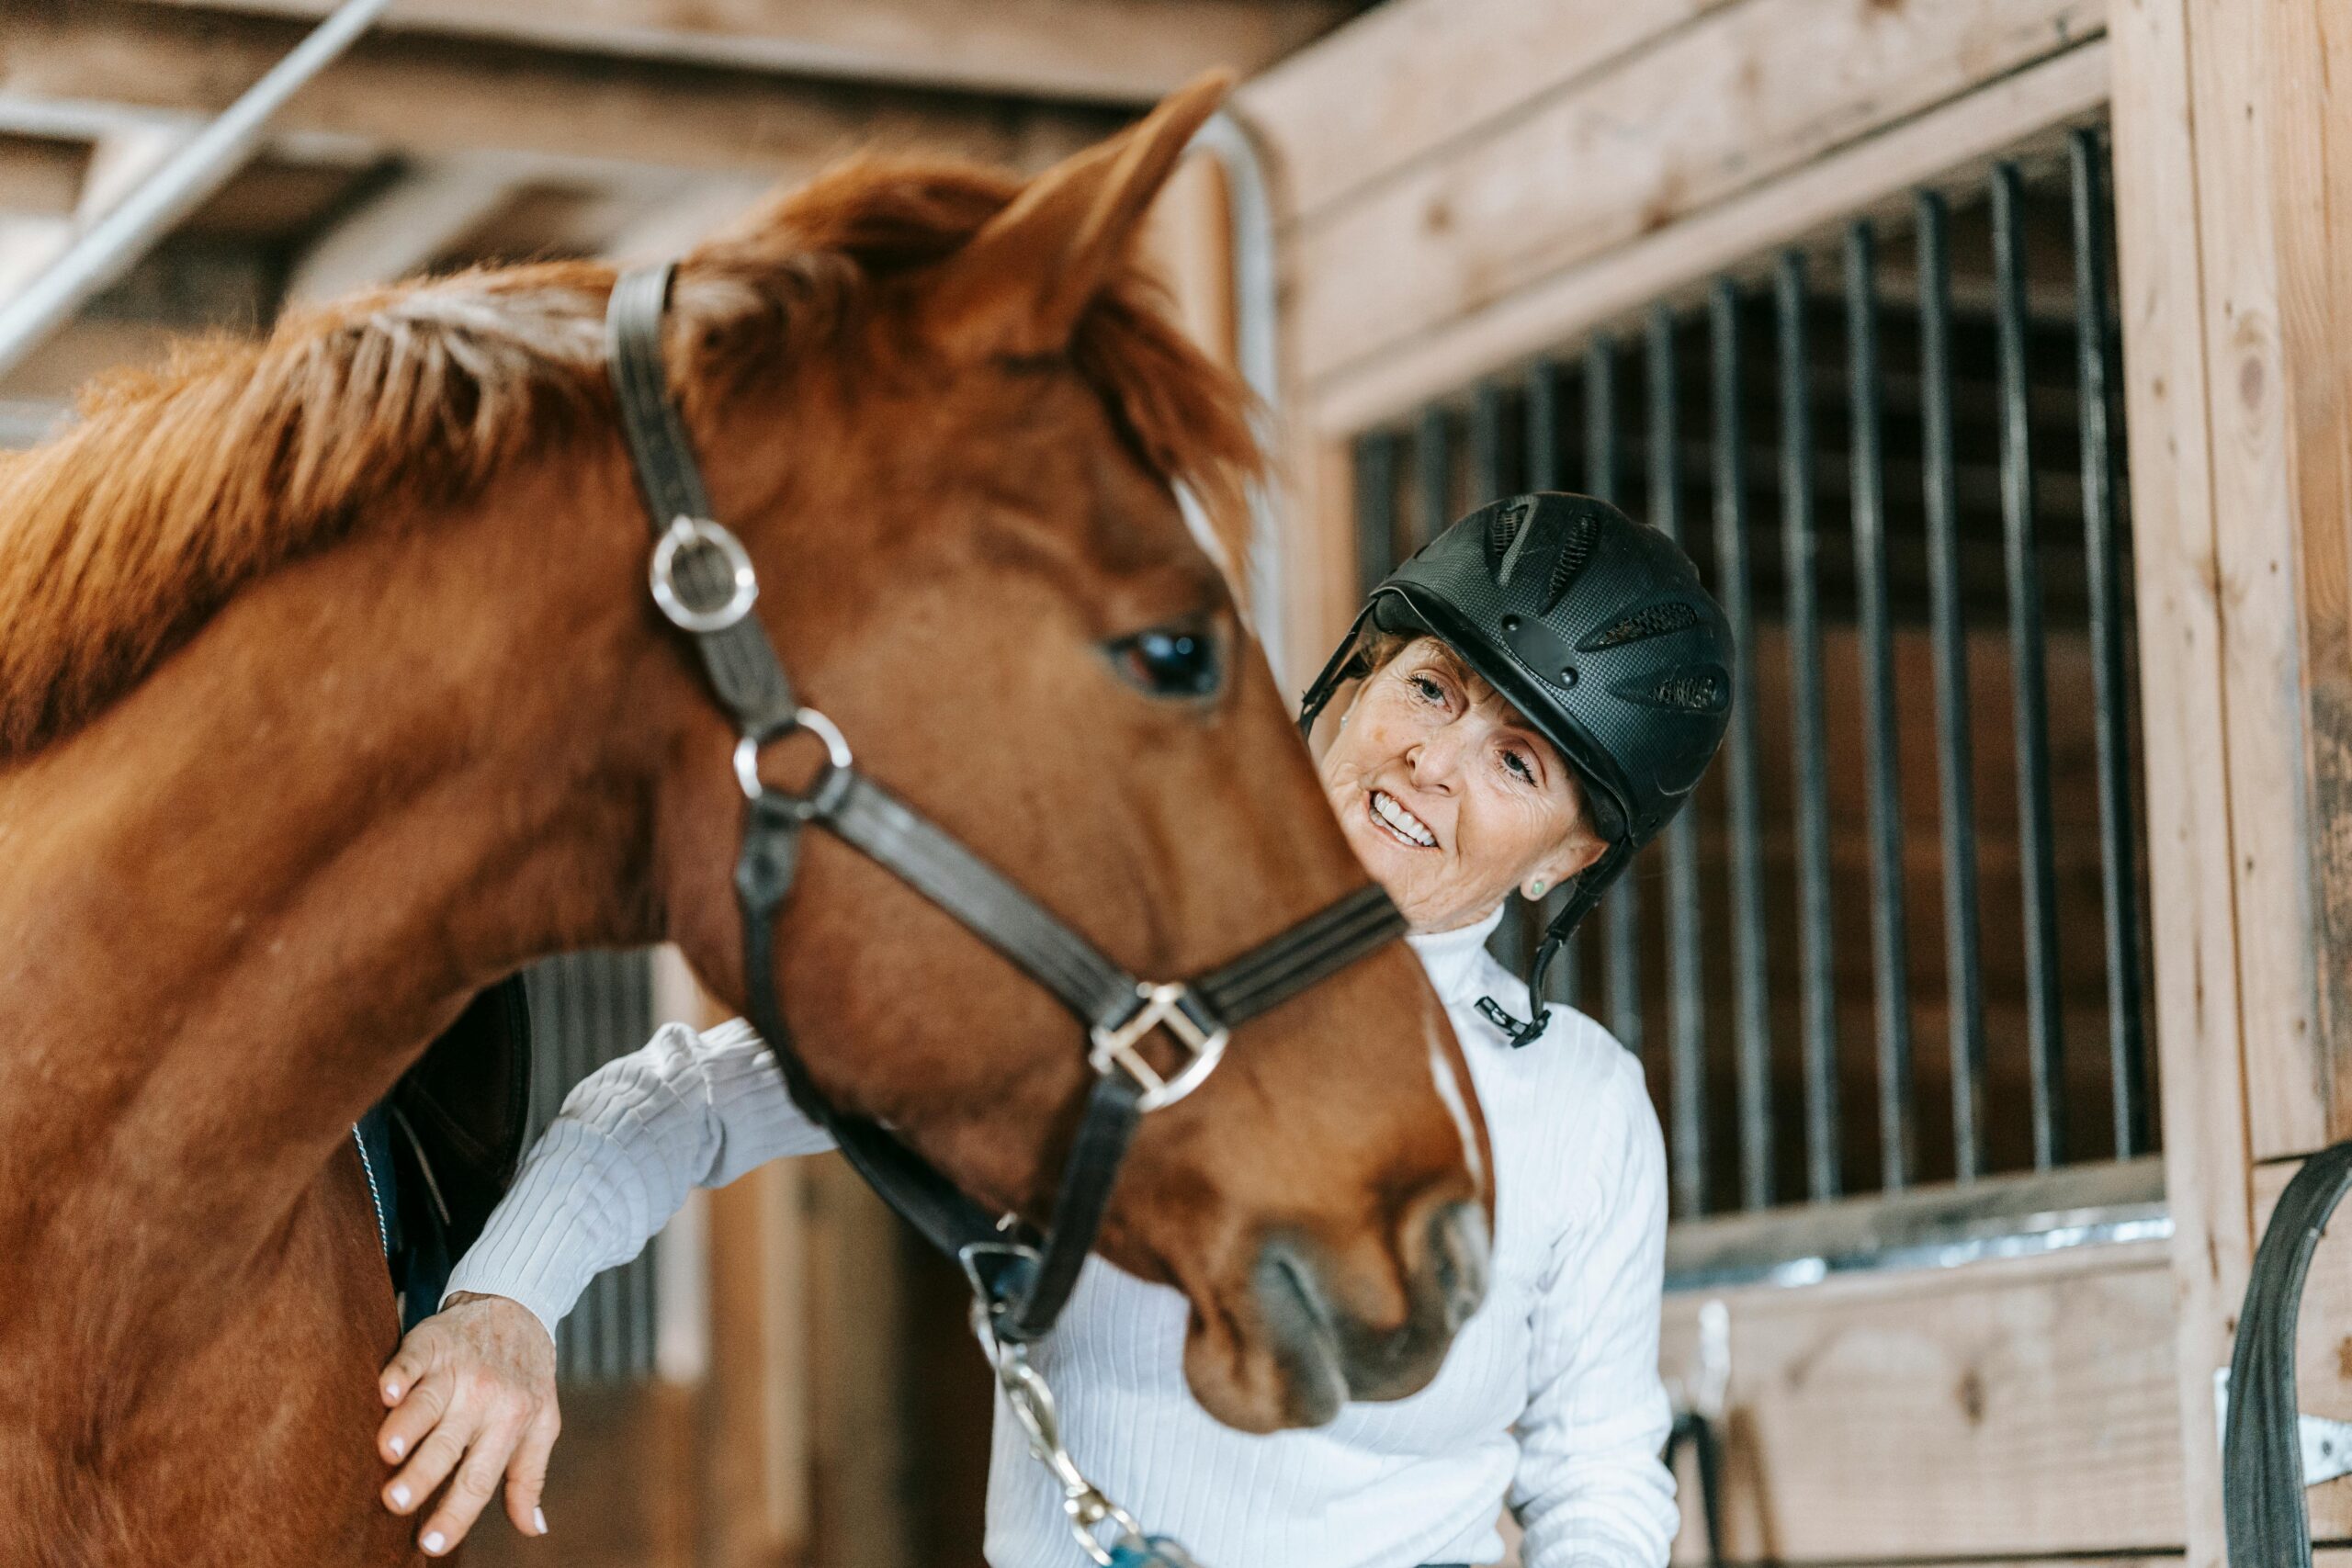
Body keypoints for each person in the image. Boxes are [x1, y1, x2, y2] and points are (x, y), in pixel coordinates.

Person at [369, 491, 1734, 1568]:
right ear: (1359, 676)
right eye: (1432, 690)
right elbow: (694, 1096)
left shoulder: (1581, 1105)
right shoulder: (1092, 965)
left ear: (1564, 858)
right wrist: (503, 1299)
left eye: (1517, 762)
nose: (1435, 760)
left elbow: (1597, 1465)